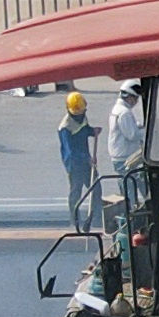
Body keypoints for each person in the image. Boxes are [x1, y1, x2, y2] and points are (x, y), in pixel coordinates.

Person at [57, 91, 99, 230]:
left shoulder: (81, 115)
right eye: (77, 113)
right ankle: (75, 220)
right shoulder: (65, 127)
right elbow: (71, 152)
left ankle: (96, 217)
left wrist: (92, 131)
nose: (80, 115)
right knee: (76, 191)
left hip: (86, 160)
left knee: (96, 187)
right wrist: (88, 158)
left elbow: (84, 129)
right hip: (74, 163)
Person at [106, 79, 147, 170]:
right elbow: (133, 135)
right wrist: (147, 130)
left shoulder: (117, 109)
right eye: (135, 98)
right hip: (126, 157)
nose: (136, 101)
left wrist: (137, 126)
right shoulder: (125, 113)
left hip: (119, 155)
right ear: (129, 97)